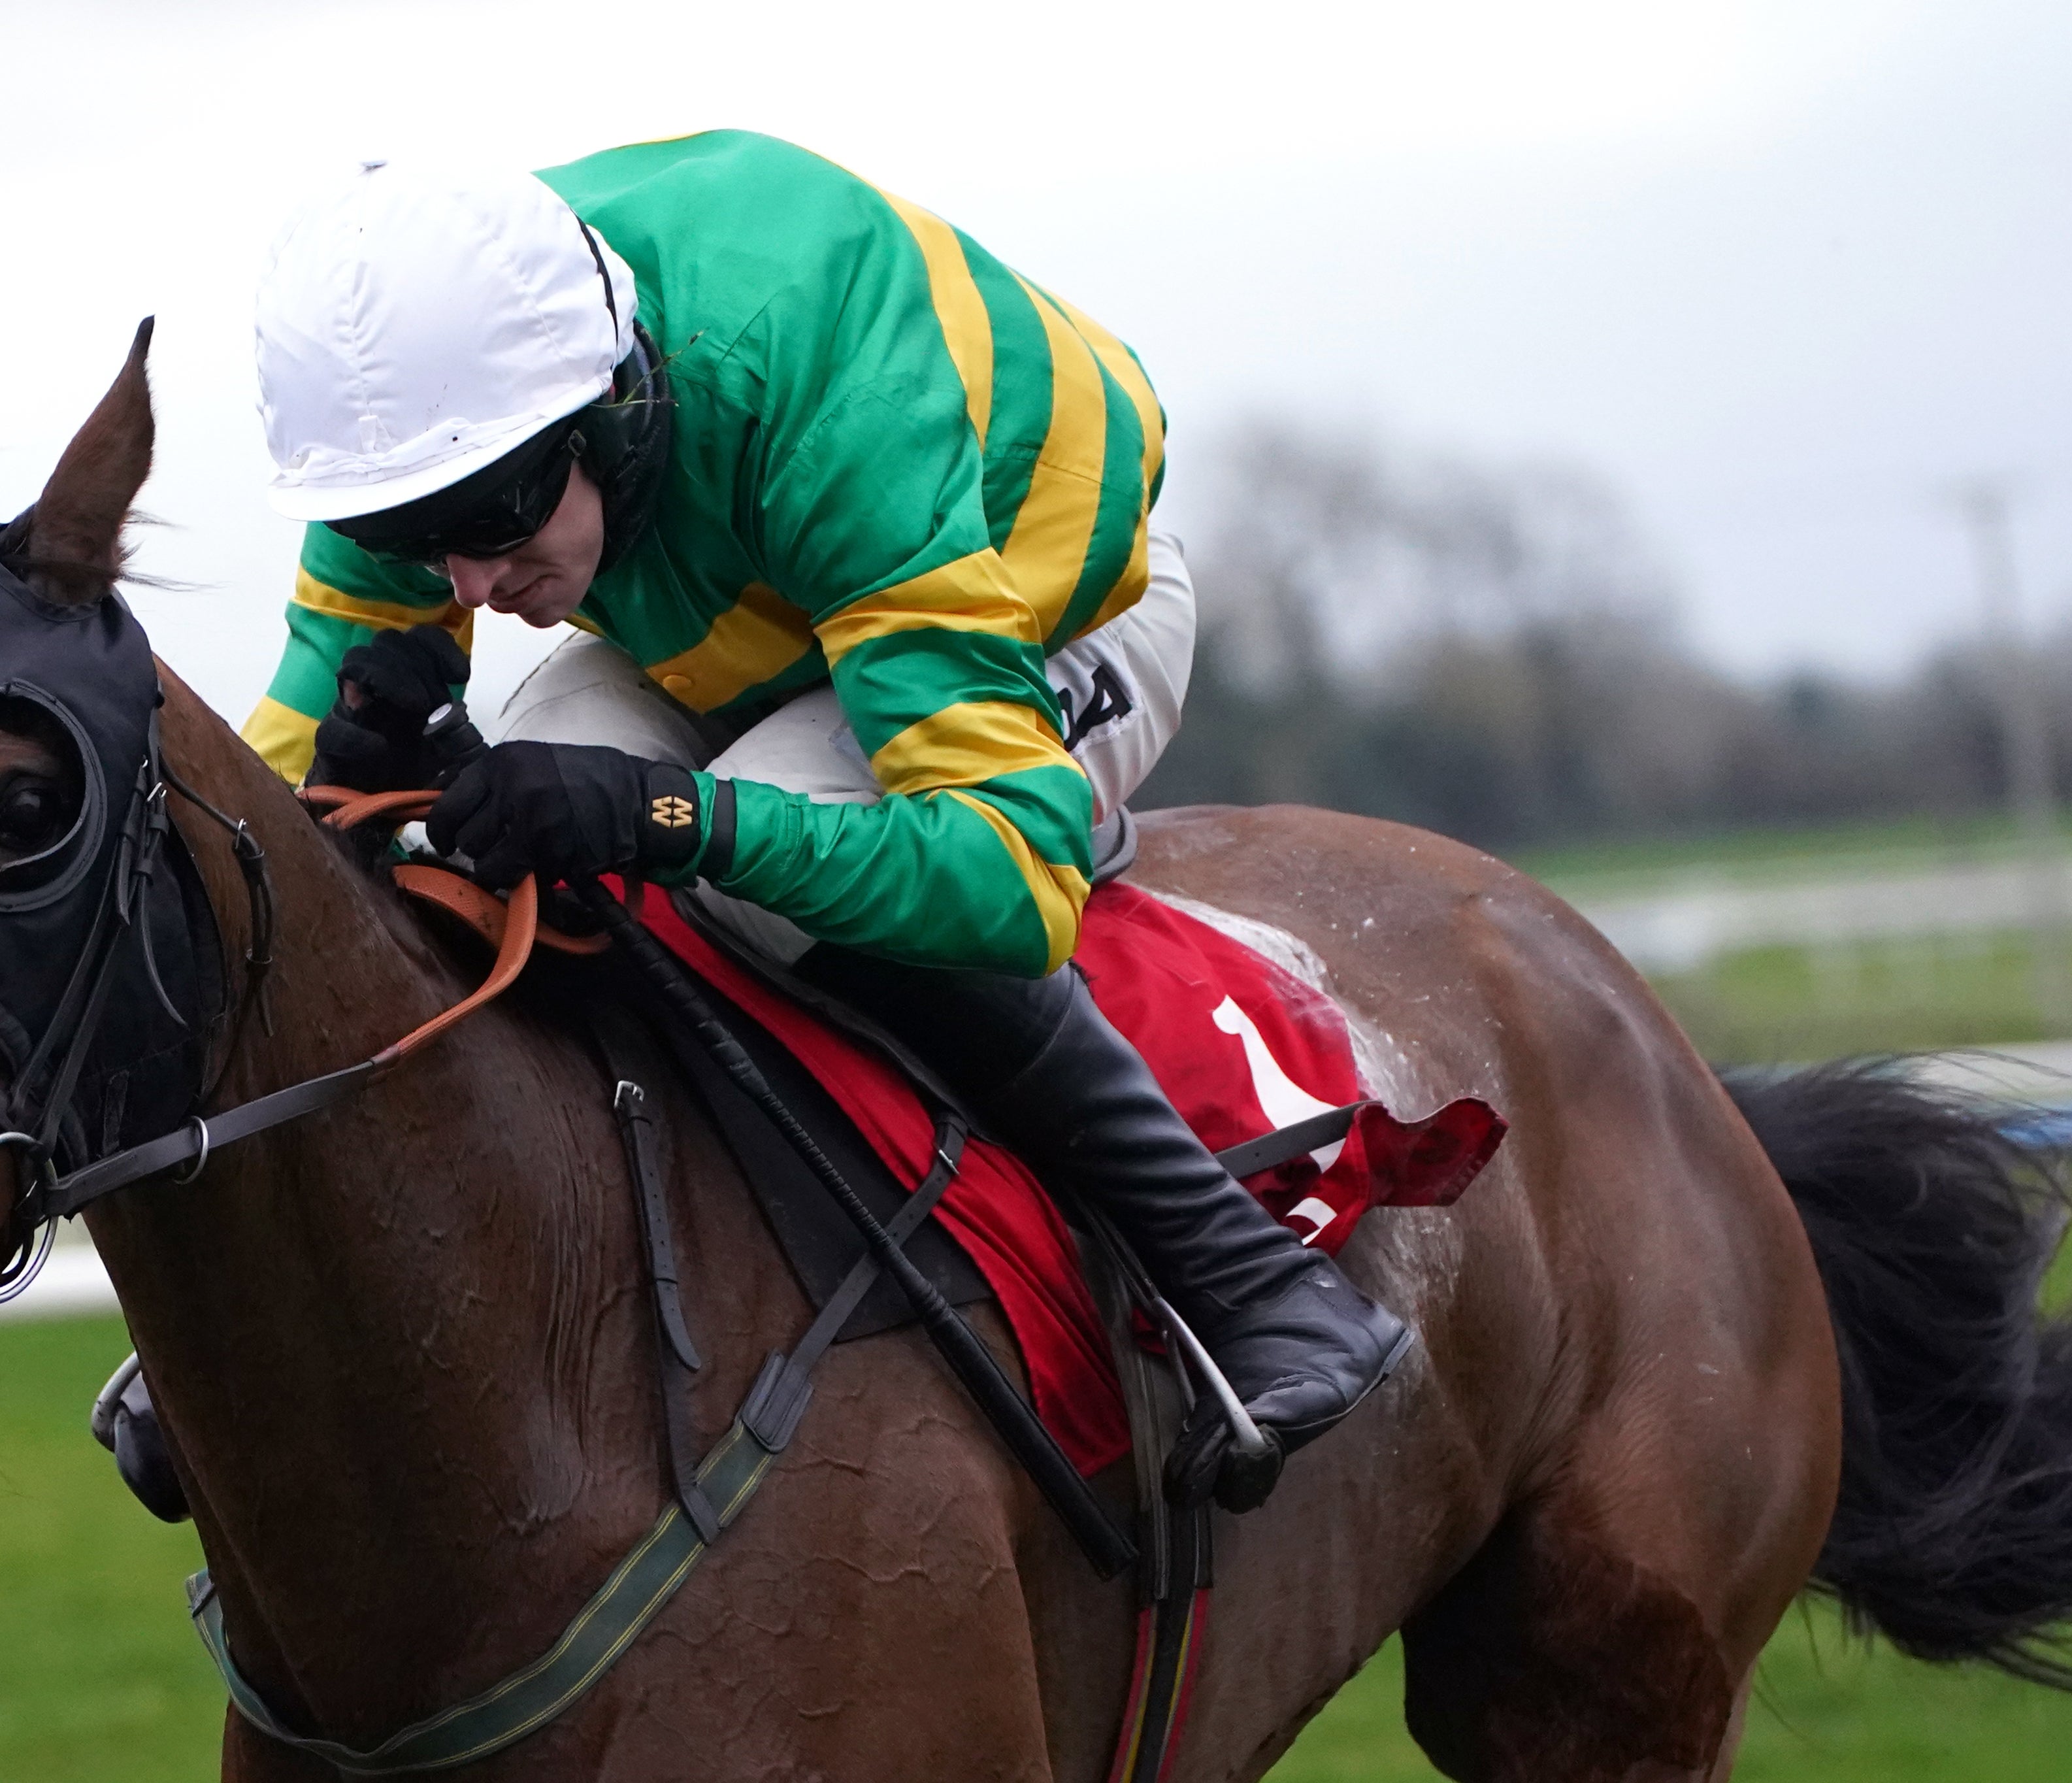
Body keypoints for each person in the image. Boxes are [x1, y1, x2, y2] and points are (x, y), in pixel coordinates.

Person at [240, 131, 1406, 1510]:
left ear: (613, 398)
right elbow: (268, 801)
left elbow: (1001, 884)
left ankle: (1240, 1271)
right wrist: (346, 792)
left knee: (742, 862)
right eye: (413, 535)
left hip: (1033, 593)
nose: (471, 578)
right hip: (732, 613)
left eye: (493, 517)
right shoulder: (422, 415)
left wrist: (673, 814)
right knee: (479, 857)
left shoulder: (805, 354)